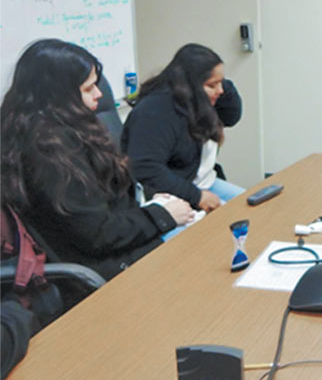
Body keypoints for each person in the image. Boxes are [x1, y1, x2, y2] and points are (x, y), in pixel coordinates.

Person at [0, 39, 194, 280]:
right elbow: (97, 234)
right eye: (89, 88)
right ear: (61, 95)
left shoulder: (59, 129)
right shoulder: (49, 153)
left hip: (121, 243)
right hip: (107, 265)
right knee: (199, 250)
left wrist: (151, 201)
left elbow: (108, 200)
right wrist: (162, 215)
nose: (99, 94)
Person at [122, 44, 245, 213]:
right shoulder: (155, 111)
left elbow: (231, 116)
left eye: (220, 83)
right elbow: (146, 168)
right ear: (190, 85)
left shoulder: (197, 100)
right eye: (212, 85)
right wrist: (197, 196)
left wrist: (219, 81)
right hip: (168, 196)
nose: (220, 90)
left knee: (251, 208)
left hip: (202, 182)